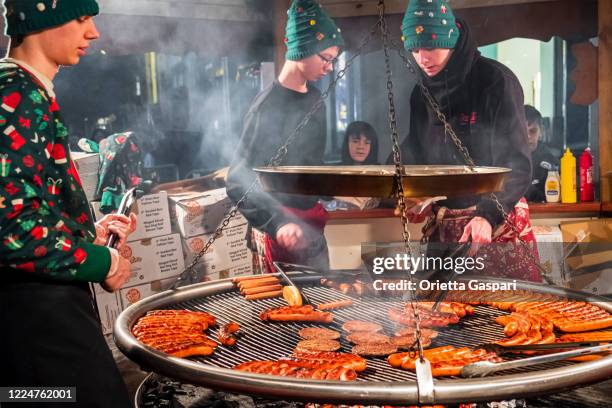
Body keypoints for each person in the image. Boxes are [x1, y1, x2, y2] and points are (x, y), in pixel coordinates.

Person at [0, 1, 136, 406]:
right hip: (37, 320)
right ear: (44, 20)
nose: (93, 33)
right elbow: (10, 229)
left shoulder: (24, 89)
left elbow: (25, 200)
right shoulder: (18, 94)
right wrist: (102, 262)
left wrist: (86, 233)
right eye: (81, 19)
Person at [397, 0, 540, 281]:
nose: (422, 58)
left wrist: (487, 216)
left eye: (429, 47)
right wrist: (411, 194)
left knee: (514, 314)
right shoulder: (421, 93)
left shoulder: (495, 81)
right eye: (414, 50)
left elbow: (518, 163)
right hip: (446, 226)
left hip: (498, 221)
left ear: (449, 39)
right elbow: (415, 151)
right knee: (439, 317)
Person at [227, 0, 343, 273]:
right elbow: (237, 180)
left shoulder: (317, 99)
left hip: (311, 228)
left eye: (333, 61)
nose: (329, 67)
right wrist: (278, 223)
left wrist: (349, 185)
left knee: (321, 304)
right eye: (325, 58)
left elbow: (309, 167)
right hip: (279, 231)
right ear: (303, 49)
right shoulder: (265, 107)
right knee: (282, 312)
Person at [524, 105, 557, 203]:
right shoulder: (505, 159)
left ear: (541, 131)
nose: (528, 136)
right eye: (522, 131)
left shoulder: (549, 162)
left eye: (532, 131)